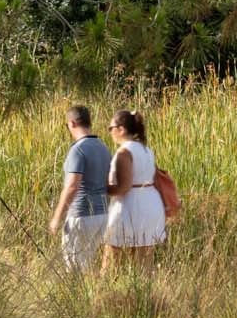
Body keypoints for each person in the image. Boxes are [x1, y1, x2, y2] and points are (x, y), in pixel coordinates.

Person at [47, 104, 110, 271]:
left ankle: (77, 297)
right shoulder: (103, 148)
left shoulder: (78, 150)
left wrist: (57, 218)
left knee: (74, 269)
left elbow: (72, 186)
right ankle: (91, 296)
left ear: (72, 123)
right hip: (102, 215)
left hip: (81, 214)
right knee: (87, 266)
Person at [102, 109, 166, 271]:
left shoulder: (124, 152)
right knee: (144, 263)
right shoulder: (146, 150)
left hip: (130, 207)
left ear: (121, 129)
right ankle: (146, 294)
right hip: (151, 204)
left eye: (111, 128)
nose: (110, 132)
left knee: (111, 260)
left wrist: (101, 189)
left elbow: (123, 187)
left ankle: (104, 293)